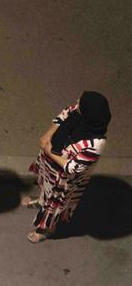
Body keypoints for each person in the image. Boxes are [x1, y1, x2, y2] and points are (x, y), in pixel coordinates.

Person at [25, 91, 111, 243]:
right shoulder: (78, 110)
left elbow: (73, 168)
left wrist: (48, 151)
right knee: (45, 187)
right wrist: (47, 136)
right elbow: (61, 118)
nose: (77, 102)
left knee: (55, 203)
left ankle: (48, 229)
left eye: (81, 102)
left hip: (64, 178)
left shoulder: (96, 143)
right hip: (51, 166)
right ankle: (40, 201)